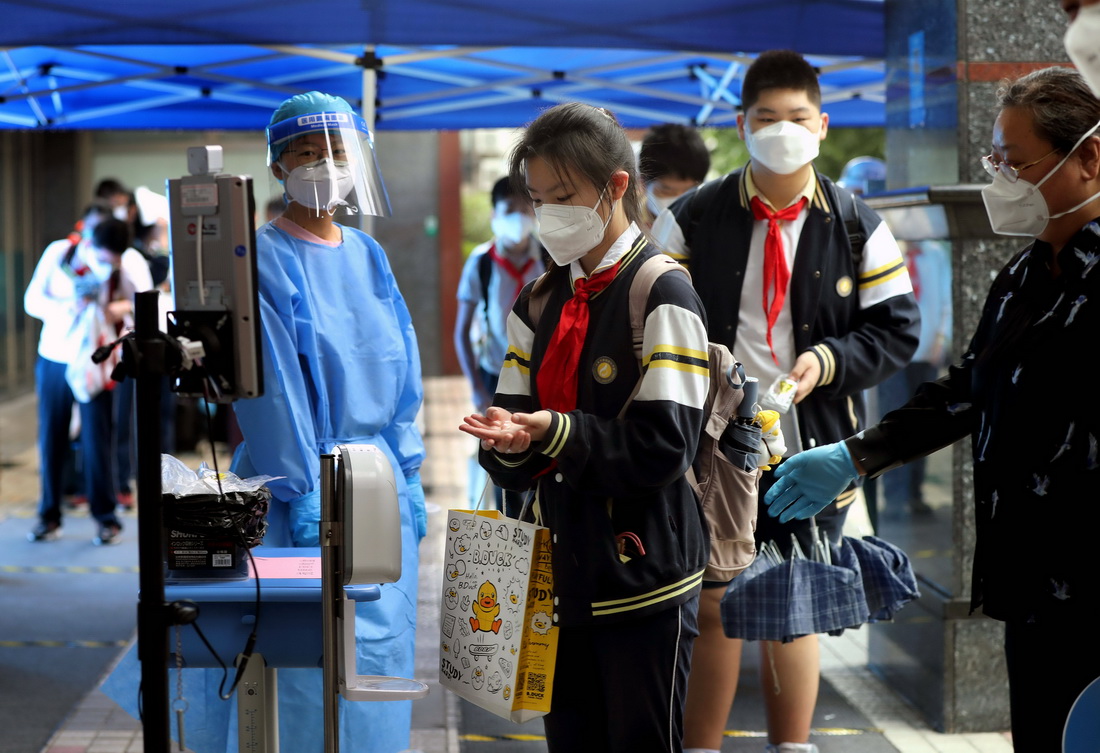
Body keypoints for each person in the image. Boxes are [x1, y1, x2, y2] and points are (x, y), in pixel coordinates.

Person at [764, 64, 1100, 753]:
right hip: (1033, 581)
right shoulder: (1027, 273)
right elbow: (967, 390)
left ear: (1088, 159)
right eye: (994, 159)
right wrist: (859, 454)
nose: (1000, 180)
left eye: (1015, 161)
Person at [651, 49, 919, 753]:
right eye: (766, 118)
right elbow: (647, 316)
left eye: (797, 117)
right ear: (741, 126)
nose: (782, 130)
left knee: (793, 597)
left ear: (823, 124)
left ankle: (791, 745)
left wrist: (828, 361)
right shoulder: (693, 218)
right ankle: (700, 746)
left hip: (814, 443)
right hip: (713, 447)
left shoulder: (858, 223)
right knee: (712, 600)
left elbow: (898, 328)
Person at [460, 102, 710, 753]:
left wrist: (558, 432)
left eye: (564, 196)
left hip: (644, 581)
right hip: (556, 578)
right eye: (538, 198)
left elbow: (666, 445)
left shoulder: (662, 293)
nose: (547, 215)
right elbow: (512, 419)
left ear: (616, 186)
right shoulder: (537, 302)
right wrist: (509, 442)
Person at [223, 91, 426, 753]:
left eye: (336, 153)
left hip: (378, 487)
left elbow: (401, 364)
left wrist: (411, 470)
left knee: (379, 661)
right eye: (305, 154)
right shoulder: (263, 257)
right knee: (303, 669)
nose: (323, 165)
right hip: (299, 493)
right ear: (278, 167)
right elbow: (270, 389)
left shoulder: (369, 254)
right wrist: (302, 487)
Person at [24, 207, 153, 545]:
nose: (107, 263)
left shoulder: (127, 265)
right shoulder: (59, 253)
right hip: (55, 355)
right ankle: (48, 516)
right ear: (90, 240)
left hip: (98, 361)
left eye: (114, 259)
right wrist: (70, 306)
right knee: (52, 437)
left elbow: (144, 303)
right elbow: (32, 300)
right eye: (103, 256)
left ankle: (106, 517)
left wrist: (119, 308)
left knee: (99, 440)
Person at [454, 176, 545, 509]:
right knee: (501, 460)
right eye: (510, 210)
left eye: (527, 208)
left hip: (540, 376)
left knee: (538, 455)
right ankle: (507, 536)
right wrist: (477, 388)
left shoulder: (551, 259)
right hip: (496, 376)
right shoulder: (481, 263)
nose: (519, 217)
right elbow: (461, 331)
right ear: (494, 215)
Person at [638, 123, 710, 223]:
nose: (681, 199)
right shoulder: (627, 228)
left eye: (691, 191)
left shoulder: (709, 223)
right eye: (667, 191)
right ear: (643, 183)